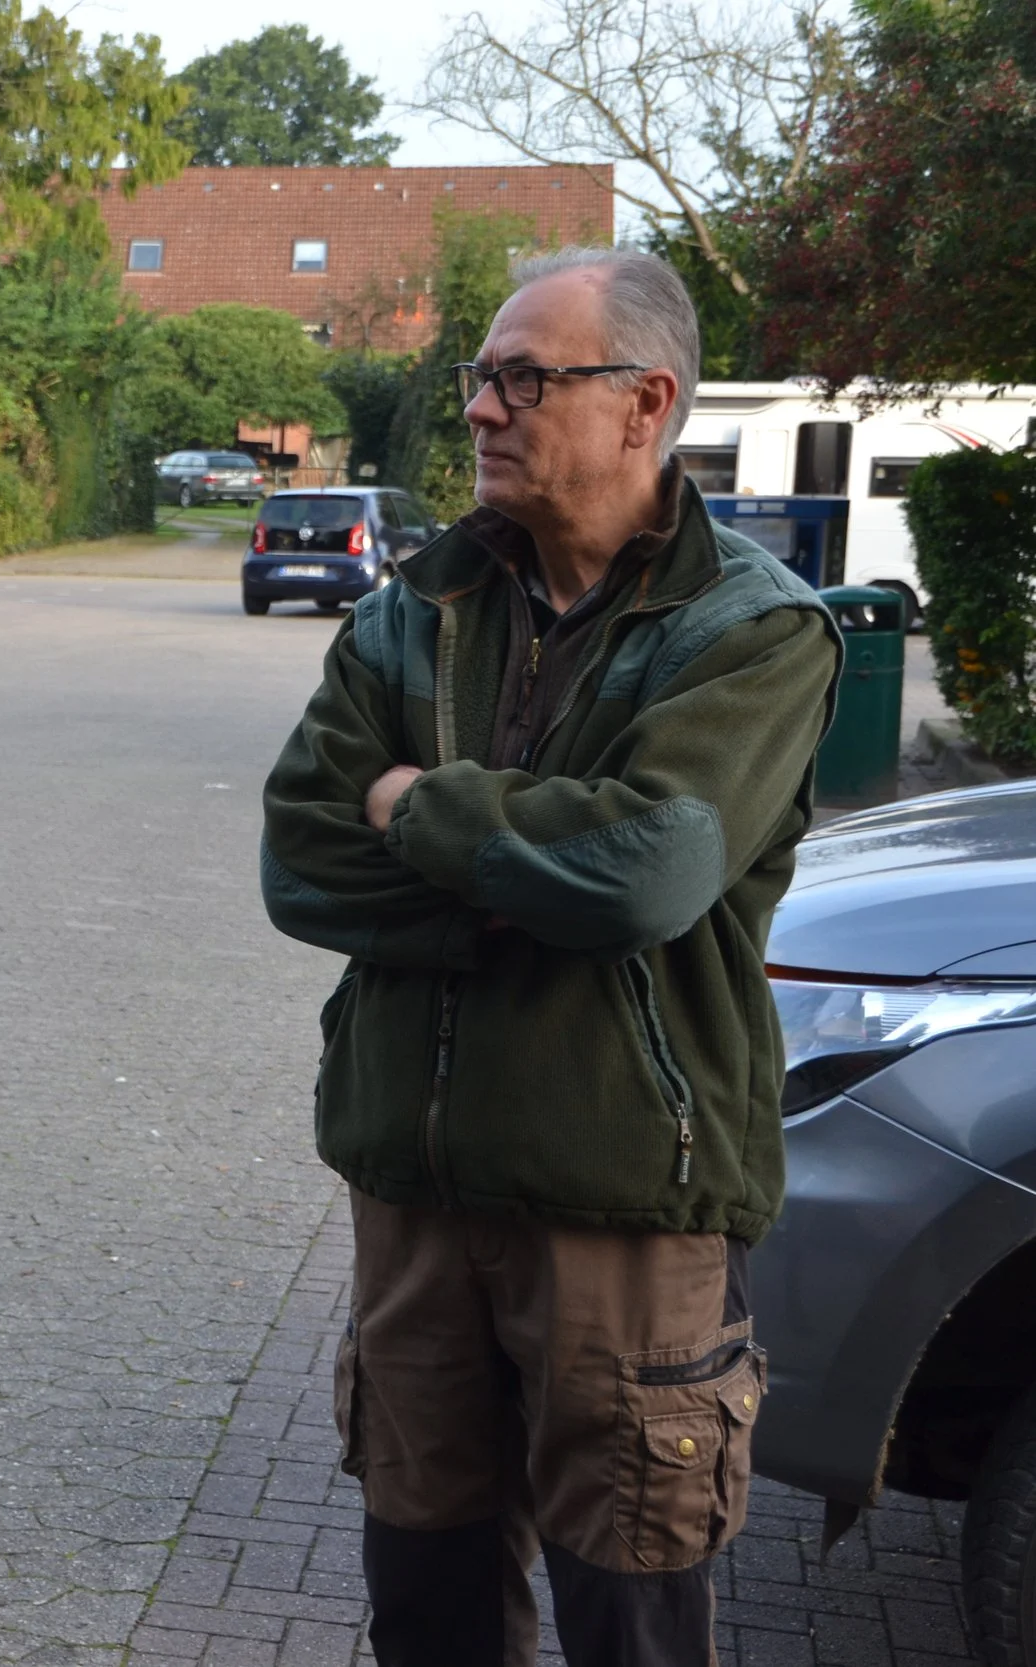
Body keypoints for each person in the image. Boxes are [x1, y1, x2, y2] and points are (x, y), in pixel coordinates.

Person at [259, 247, 840, 1664]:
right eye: (482, 376)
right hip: (414, 1201)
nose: (480, 409)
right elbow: (301, 855)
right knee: (428, 1610)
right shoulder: (416, 607)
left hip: (625, 1213)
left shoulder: (753, 629)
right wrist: (529, 880)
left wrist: (417, 808)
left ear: (646, 404)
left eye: (524, 380)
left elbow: (649, 871)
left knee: (630, 1618)